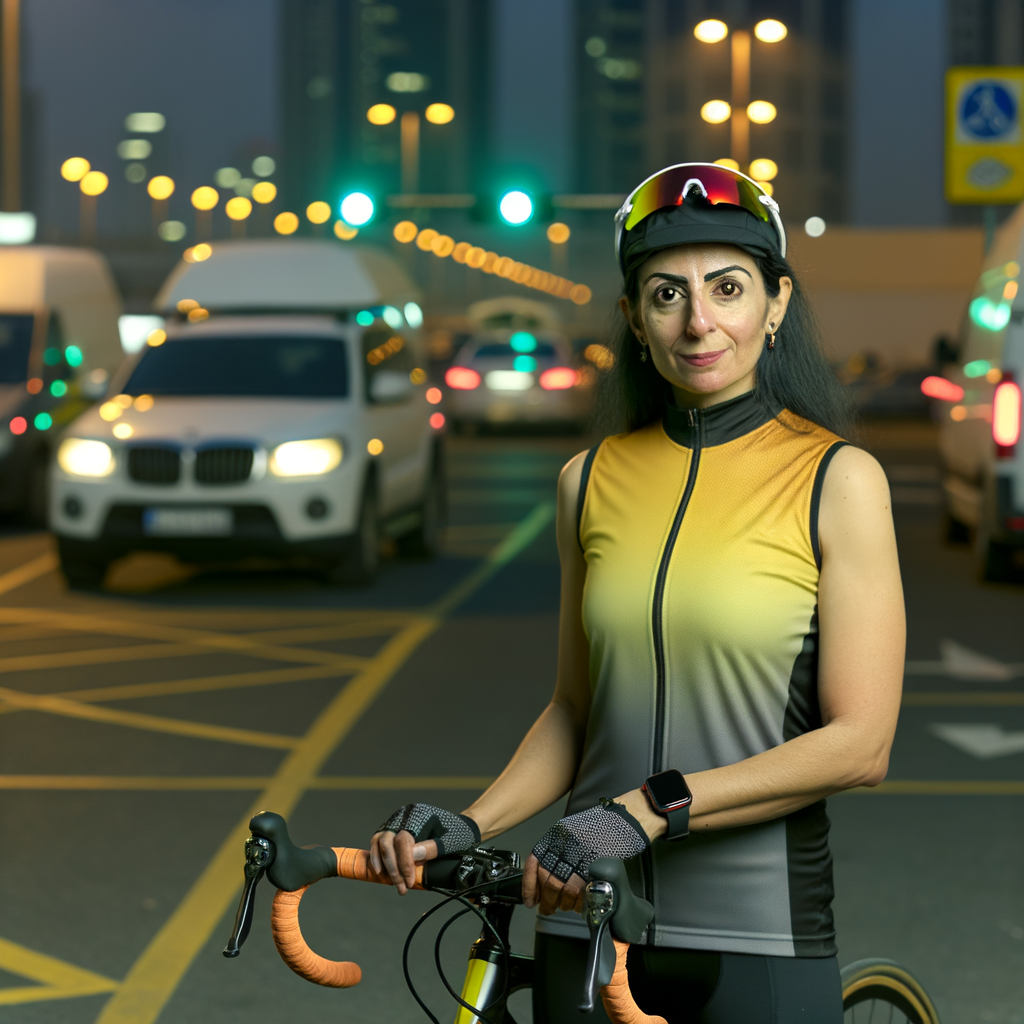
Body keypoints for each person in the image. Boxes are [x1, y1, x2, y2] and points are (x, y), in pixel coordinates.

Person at [370, 163, 905, 1023]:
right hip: (587, 920)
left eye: (727, 288)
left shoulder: (835, 478)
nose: (699, 322)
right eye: (667, 294)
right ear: (634, 319)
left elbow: (860, 744)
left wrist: (649, 809)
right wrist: (473, 823)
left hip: (758, 934)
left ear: (775, 306)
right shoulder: (588, 481)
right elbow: (574, 714)